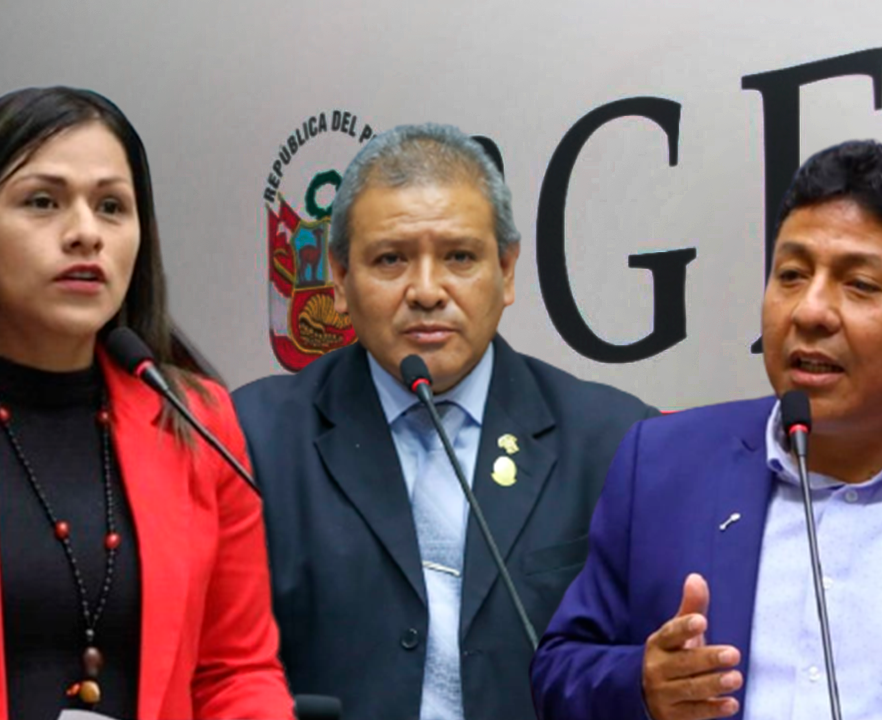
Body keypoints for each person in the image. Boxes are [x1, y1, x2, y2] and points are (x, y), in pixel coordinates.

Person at [531, 140, 882, 720]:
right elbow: (560, 669)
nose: (809, 311)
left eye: (860, 285)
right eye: (792, 275)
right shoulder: (663, 463)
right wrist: (644, 686)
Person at [0, 86, 293, 720]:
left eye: (111, 206)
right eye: (42, 201)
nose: (85, 233)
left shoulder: (195, 416)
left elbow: (237, 671)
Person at [232, 123, 660, 720]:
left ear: (507, 271)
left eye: (459, 257)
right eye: (391, 259)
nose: (427, 291)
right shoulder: (250, 438)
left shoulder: (616, 442)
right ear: (339, 278)